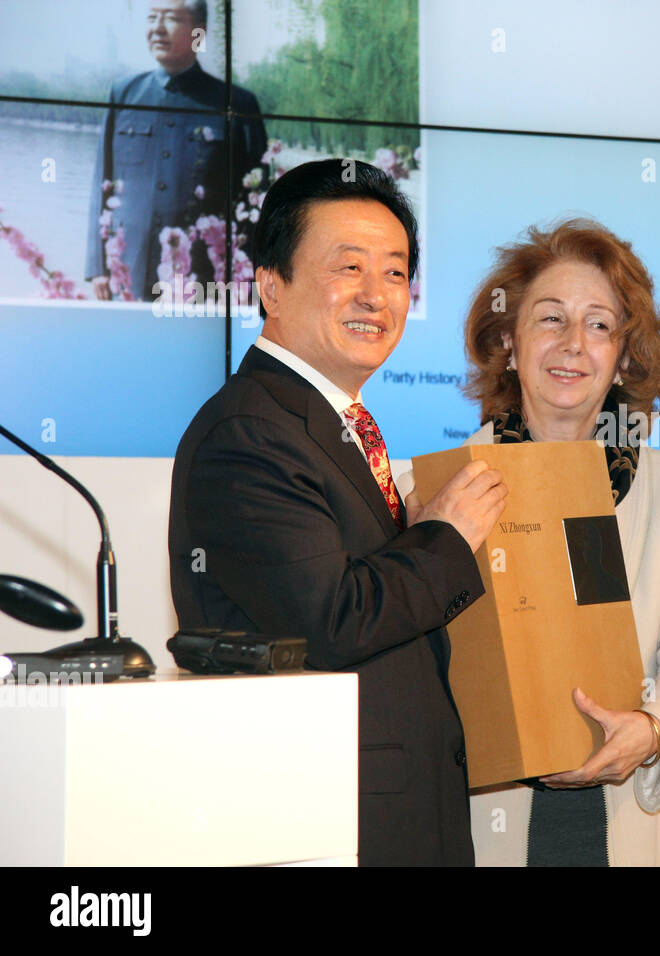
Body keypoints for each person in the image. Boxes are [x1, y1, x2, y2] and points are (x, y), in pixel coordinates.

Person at [168, 159, 507, 865]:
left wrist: (409, 538)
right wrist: (445, 537)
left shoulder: (332, 424)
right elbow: (329, 621)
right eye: (347, 268)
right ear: (270, 284)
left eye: (394, 272)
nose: (376, 296)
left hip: (392, 813)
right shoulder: (250, 431)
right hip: (324, 819)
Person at [445, 218, 660, 866]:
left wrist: (654, 729)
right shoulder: (445, 489)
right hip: (493, 828)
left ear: (623, 357)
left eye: (600, 325)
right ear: (509, 343)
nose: (573, 344)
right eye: (550, 319)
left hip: (650, 827)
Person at [84, 0, 268, 301]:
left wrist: (248, 281)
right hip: (128, 271)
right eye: (152, 17)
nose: (157, 28)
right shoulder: (124, 95)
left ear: (199, 33)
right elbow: (99, 183)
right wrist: (97, 266)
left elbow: (258, 202)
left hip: (204, 278)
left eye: (170, 18)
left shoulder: (237, 105)